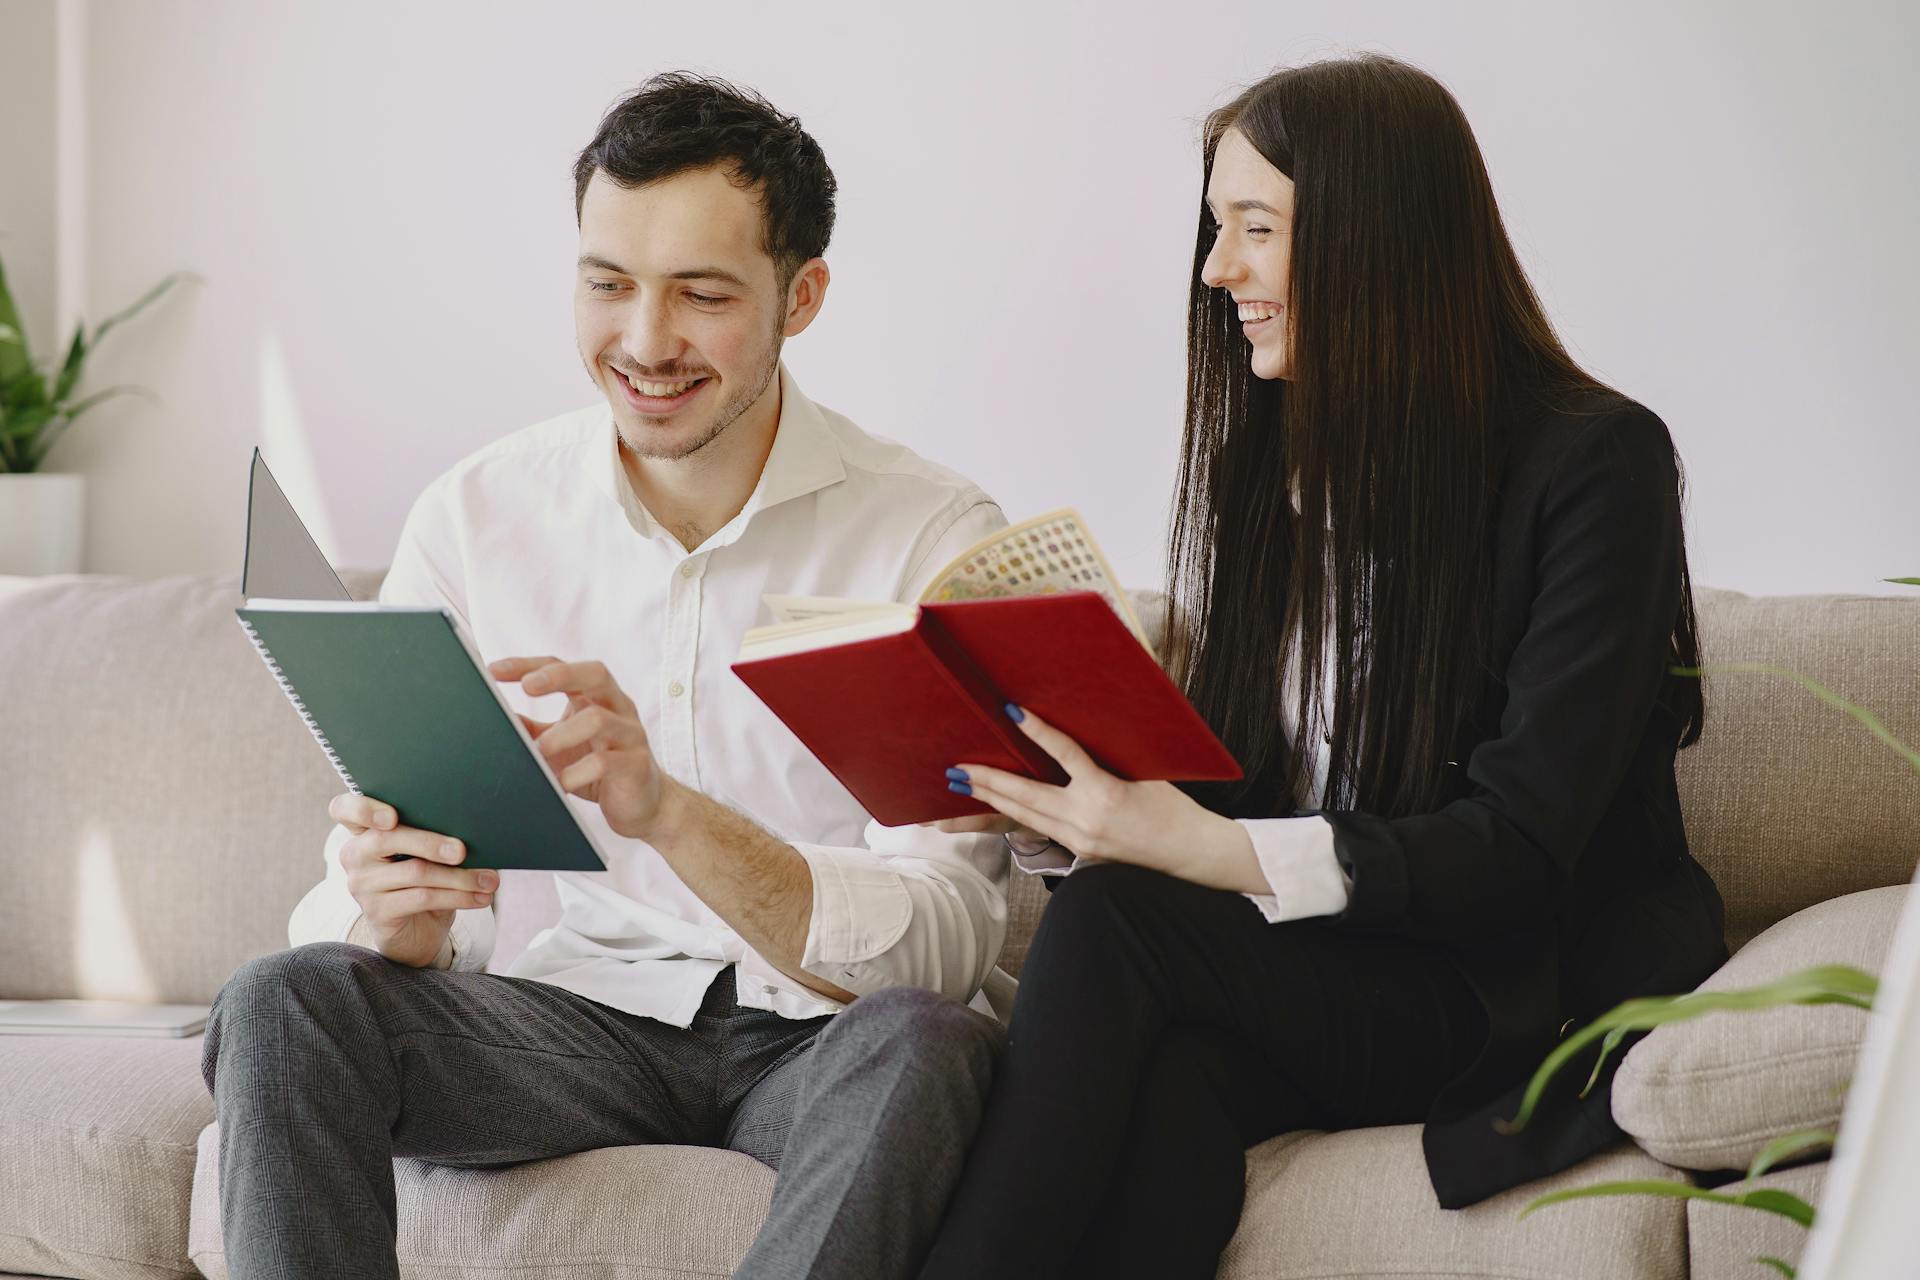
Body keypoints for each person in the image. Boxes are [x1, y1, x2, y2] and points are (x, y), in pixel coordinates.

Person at [916, 54, 1728, 1279]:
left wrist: (1186, 847)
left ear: (1377, 240)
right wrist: (1081, 799)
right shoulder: (1273, 467)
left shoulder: (1593, 466)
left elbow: (1517, 849)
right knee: (1170, 1093)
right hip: (1331, 974)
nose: (1216, 270)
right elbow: (1252, 792)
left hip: (1509, 984)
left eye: (1256, 228)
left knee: (1122, 928)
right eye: (1215, 228)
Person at [201, 73, 1009, 1280]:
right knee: (283, 997)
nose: (642, 341)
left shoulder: (929, 538)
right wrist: (395, 917)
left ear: (803, 296)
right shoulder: (477, 516)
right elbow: (384, 891)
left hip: (822, 1035)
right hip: (564, 1024)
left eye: (701, 293)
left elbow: (949, 936)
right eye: (607, 283)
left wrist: (671, 815)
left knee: (931, 1041)